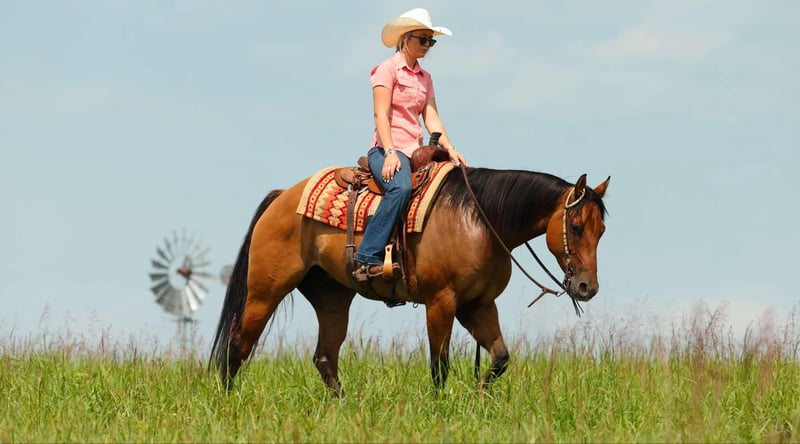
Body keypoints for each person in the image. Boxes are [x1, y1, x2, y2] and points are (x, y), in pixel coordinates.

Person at [353, 8, 468, 282]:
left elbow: (432, 117)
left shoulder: (425, 78)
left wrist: (451, 149)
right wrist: (390, 152)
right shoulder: (387, 69)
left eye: (431, 41)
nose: (427, 45)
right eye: (423, 39)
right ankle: (367, 256)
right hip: (386, 149)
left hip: (415, 151)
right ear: (405, 38)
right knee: (401, 188)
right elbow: (381, 114)